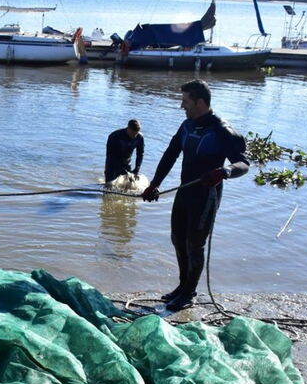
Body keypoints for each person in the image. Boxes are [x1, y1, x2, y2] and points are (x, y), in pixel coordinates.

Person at [141, 79, 249, 312]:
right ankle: (182, 287)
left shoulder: (221, 130)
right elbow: (170, 154)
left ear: (200, 102)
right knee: (177, 239)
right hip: (184, 192)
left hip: (206, 196)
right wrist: (154, 185)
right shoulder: (187, 126)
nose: (182, 106)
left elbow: (243, 163)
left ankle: (189, 293)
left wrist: (225, 172)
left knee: (194, 245)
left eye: (185, 101)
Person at [104, 119, 144, 184]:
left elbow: (140, 154)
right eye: (133, 133)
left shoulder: (140, 137)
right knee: (109, 185)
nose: (134, 136)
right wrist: (120, 168)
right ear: (128, 128)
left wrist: (137, 168)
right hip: (112, 163)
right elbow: (109, 155)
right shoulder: (114, 136)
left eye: (136, 134)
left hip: (126, 163)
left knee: (128, 186)